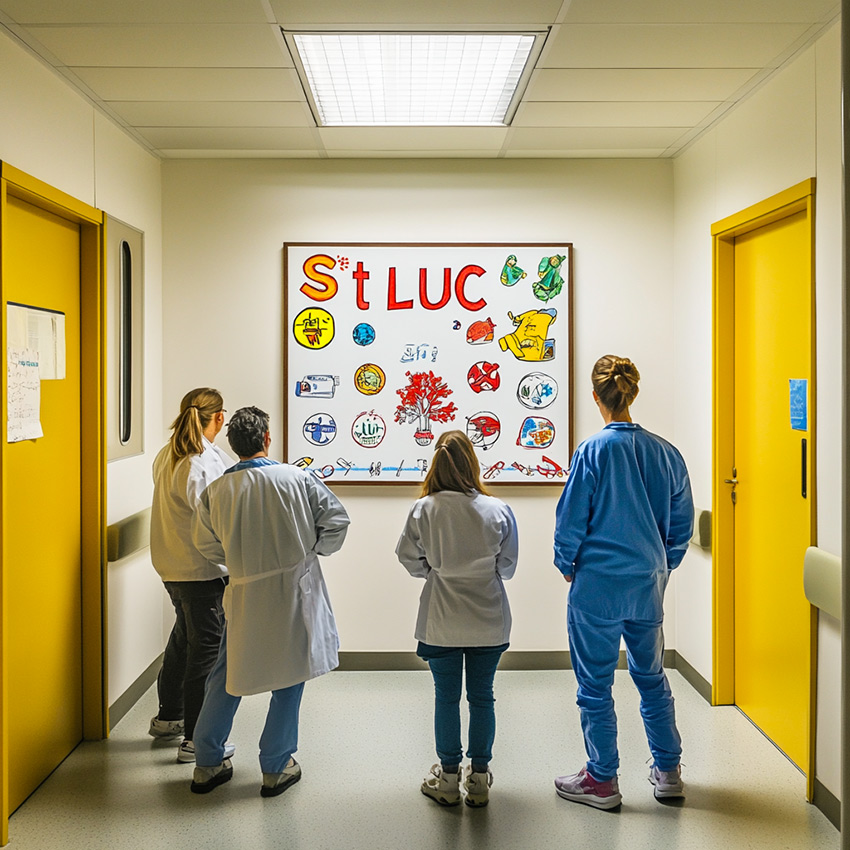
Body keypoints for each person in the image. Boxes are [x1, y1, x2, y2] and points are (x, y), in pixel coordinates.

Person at [552, 356, 693, 809]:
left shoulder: (592, 451)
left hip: (596, 586)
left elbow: (570, 521)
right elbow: (681, 526)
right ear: (632, 394)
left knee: (594, 686)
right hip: (646, 587)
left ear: (596, 397)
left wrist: (567, 564)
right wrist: (661, 565)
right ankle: (668, 770)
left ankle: (602, 780)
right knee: (651, 677)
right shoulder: (667, 454)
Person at [189, 406, 350, 797]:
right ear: (267, 439)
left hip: (244, 592)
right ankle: (275, 767)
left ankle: (207, 762)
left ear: (234, 444)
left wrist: (238, 559)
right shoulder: (297, 478)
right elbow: (336, 522)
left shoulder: (217, 491)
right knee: (289, 677)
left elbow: (205, 544)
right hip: (294, 590)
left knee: (226, 677)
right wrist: (310, 551)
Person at [396, 430, 518, 808]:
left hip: (441, 620)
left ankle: (448, 778)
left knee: (446, 698)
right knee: (483, 697)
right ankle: (479, 780)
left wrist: (435, 570)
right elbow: (508, 567)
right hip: (488, 619)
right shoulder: (496, 509)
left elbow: (407, 557)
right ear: (472, 462)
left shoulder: (424, 509)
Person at [149, 387, 235, 764]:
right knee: (206, 649)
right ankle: (197, 739)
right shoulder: (201, 461)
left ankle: (169, 717)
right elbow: (213, 518)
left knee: (185, 638)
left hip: (172, 565)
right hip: (201, 569)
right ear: (218, 418)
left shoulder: (169, 454)